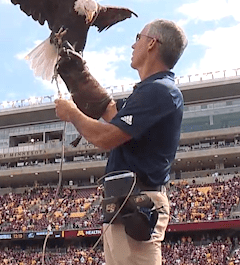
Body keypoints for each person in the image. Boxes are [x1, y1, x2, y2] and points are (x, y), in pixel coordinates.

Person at [55, 19, 187, 265]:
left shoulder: (160, 91)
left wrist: (72, 113)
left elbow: (106, 137)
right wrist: (79, 73)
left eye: (138, 37)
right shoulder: (150, 91)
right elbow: (110, 110)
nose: (132, 44)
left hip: (137, 205)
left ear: (151, 44)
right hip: (124, 206)